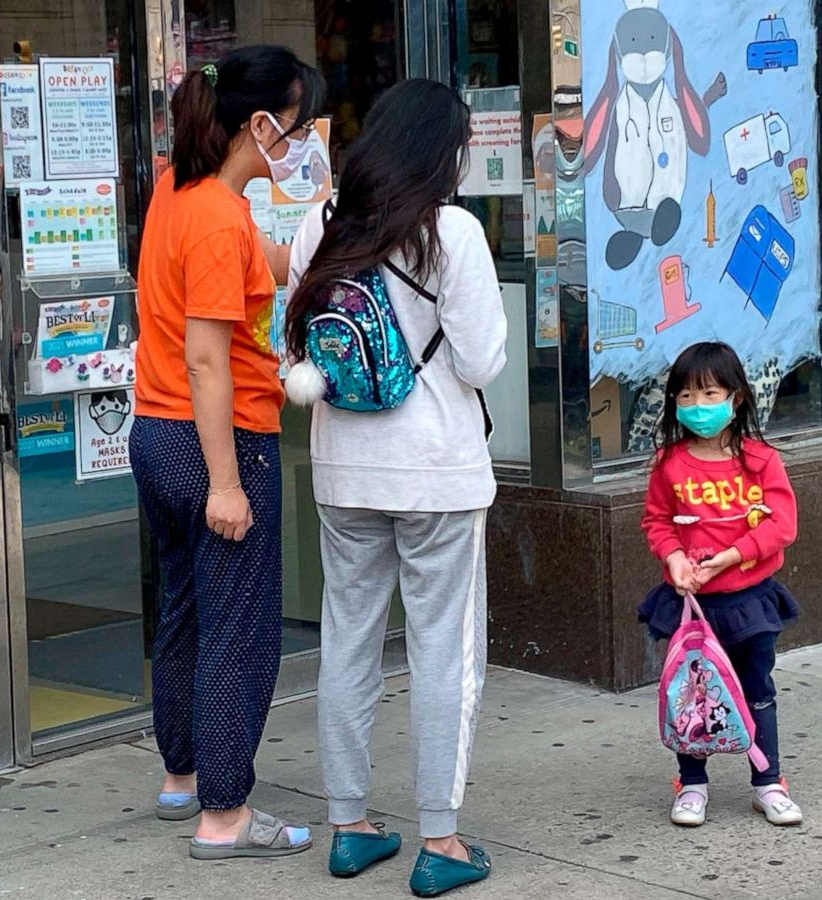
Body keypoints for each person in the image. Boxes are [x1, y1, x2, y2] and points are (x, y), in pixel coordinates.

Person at [285, 79, 507, 896]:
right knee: (446, 651)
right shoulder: (452, 232)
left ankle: (349, 825)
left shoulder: (320, 223)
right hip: (439, 472)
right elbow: (483, 362)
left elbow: (299, 340)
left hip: (344, 469)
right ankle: (440, 841)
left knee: (347, 641)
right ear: (442, 151)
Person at [129, 45, 323, 860]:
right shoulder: (216, 217)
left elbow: (256, 268)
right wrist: (226, 483)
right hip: (217, 442)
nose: (304, 143)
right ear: (260, 124)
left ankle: (183, 776)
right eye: (300, 127)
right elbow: (208, 357)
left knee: (185, 614)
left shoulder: (183, 193)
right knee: (237, 630)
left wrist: (313, 249)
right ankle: (226, 812)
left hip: (155, 432)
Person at [638, 342, 804, 828]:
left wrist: (729, 558)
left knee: (758, 689)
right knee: (693, 696)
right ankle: (692, 784)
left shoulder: (760, 460)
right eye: (685, 397)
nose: (697, 407)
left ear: (736, 398)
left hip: (750, 600)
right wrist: (673, 559)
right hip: (690, 606)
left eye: (709, 393)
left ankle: (767, 780)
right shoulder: (668, 463)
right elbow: (657, 521)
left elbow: (781, 525)